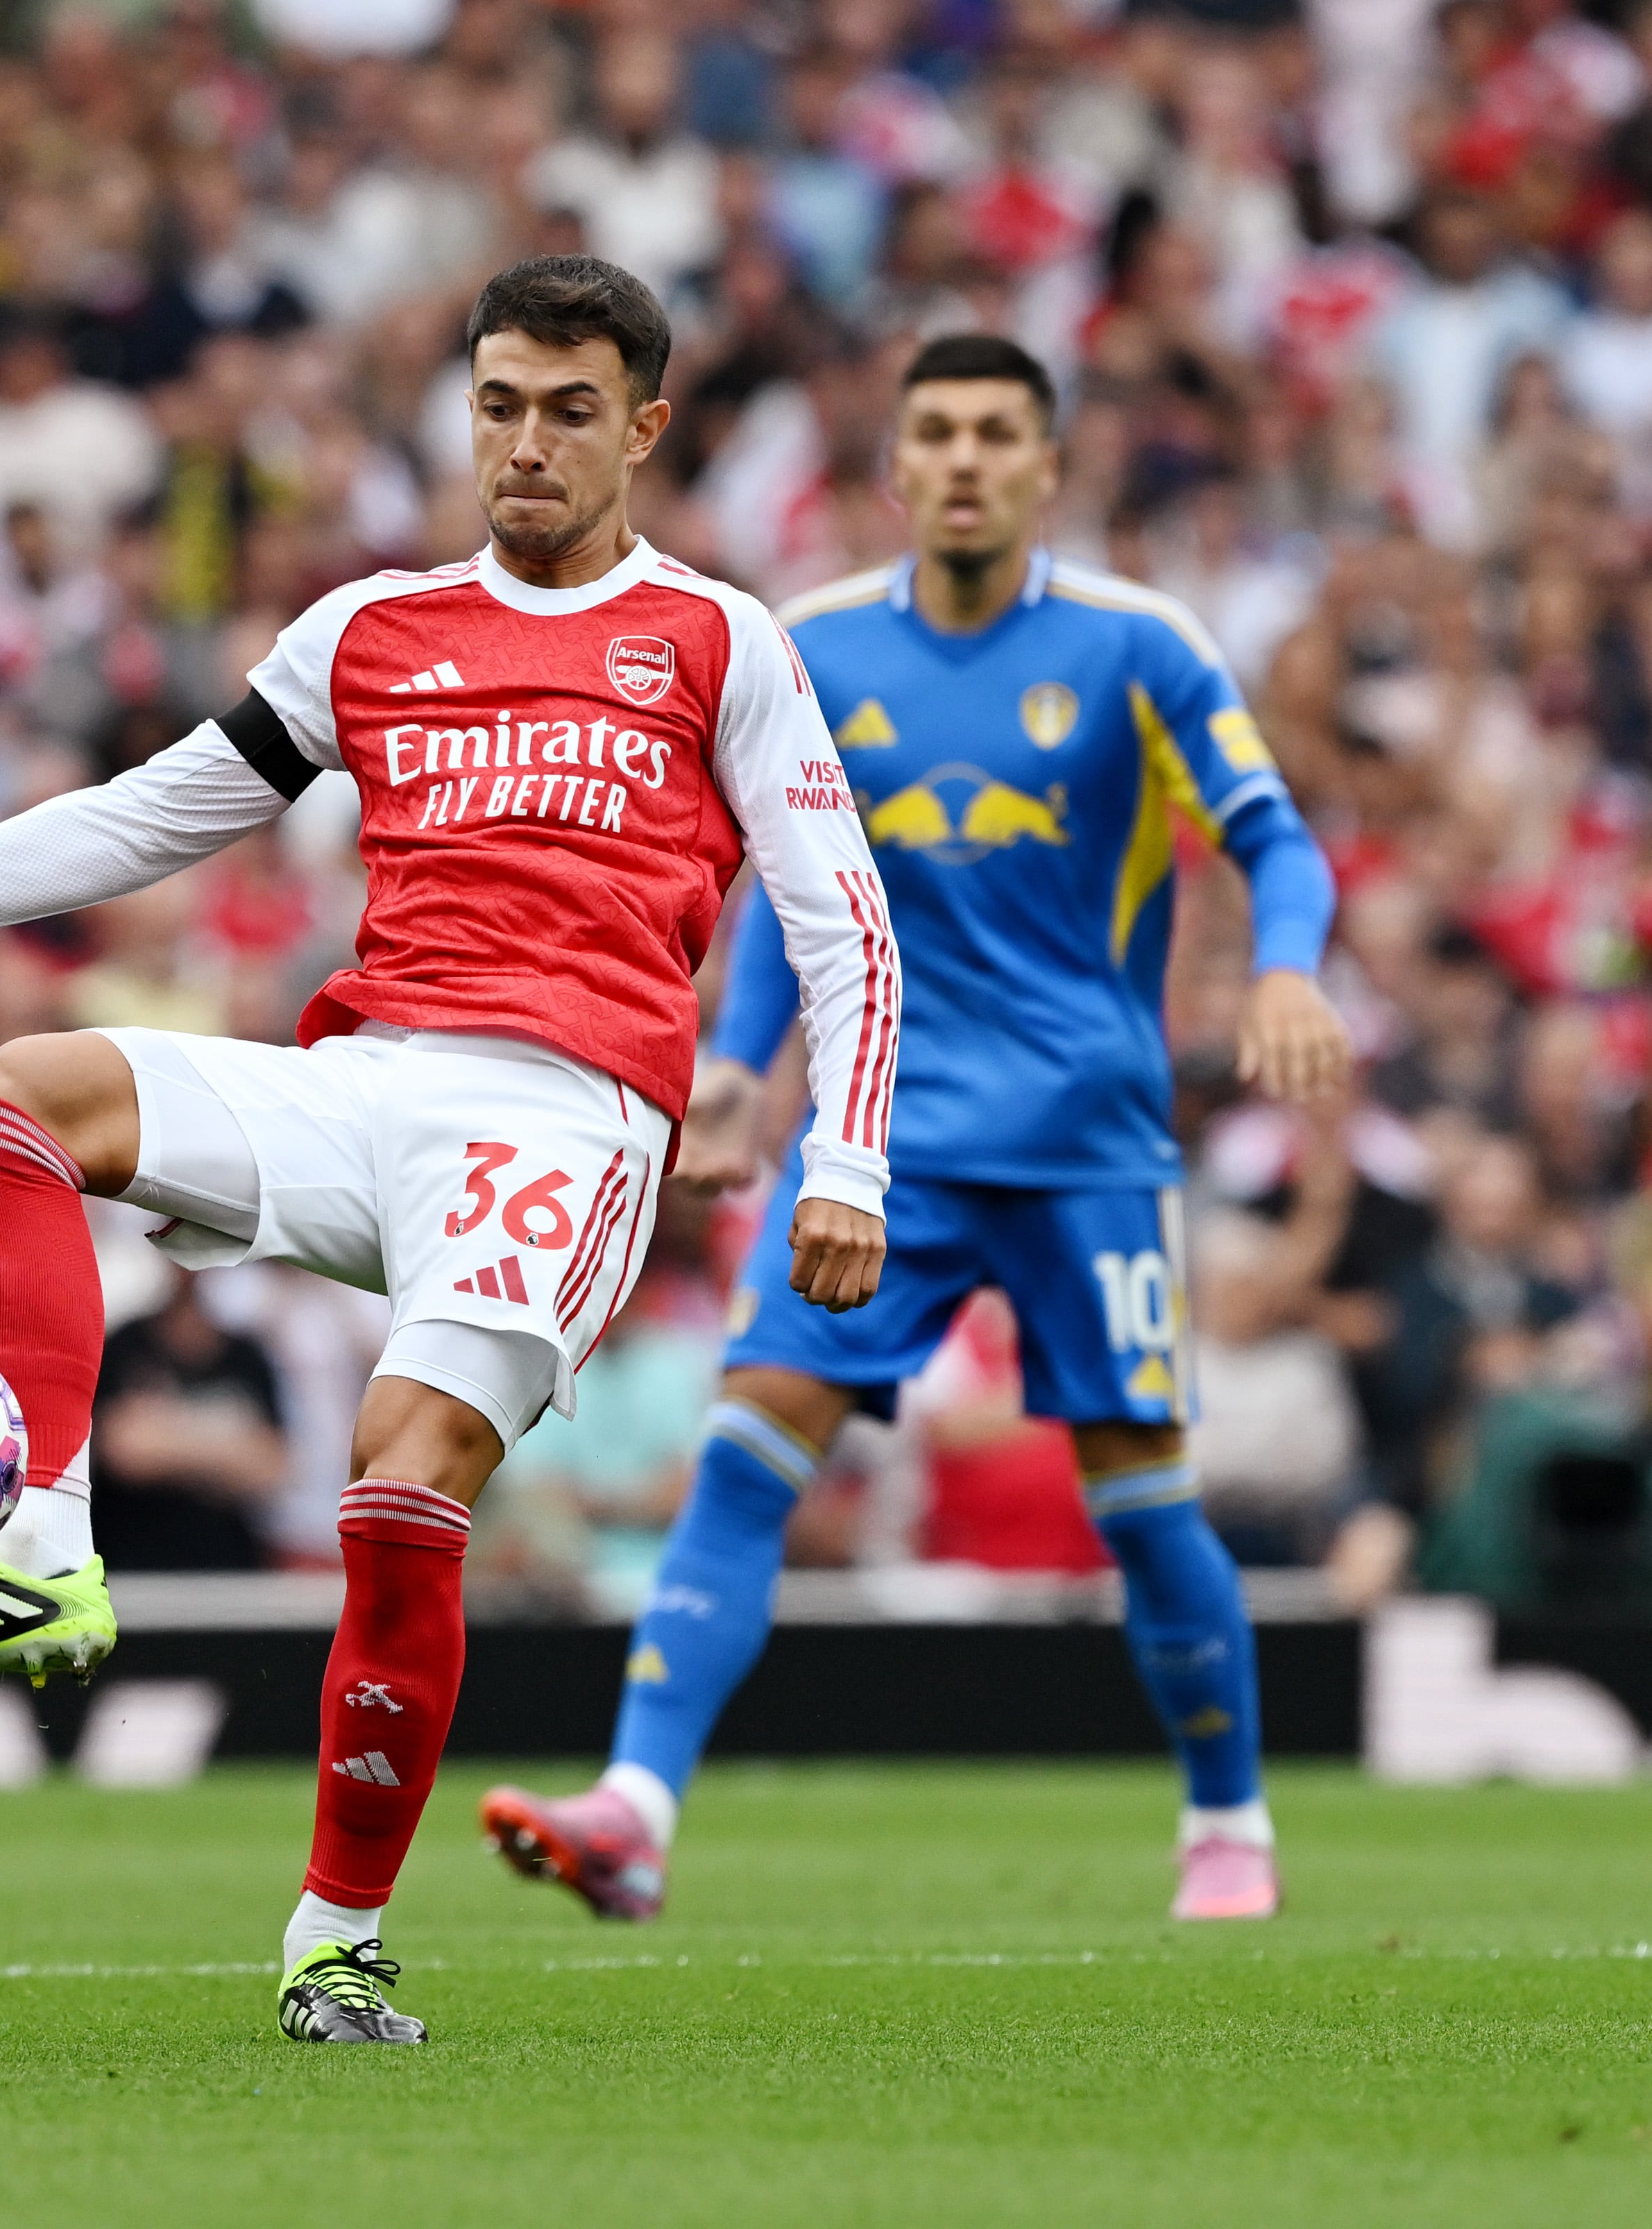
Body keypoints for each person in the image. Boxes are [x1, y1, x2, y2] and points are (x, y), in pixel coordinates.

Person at [0, 255, 901, 2046]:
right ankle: (39, 1535)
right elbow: (142, 819)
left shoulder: (722, 639)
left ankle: (334, 1939)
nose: (527, 444)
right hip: (365, 1082)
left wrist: (848, 1163)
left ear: (643, 428)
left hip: (565, 1123)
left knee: (399, 1488)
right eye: (500, 404)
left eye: (572, 411)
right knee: (9, 1096)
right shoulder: (369, 632)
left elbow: (846, 921)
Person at [480, 334, 1350, 1931]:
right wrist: (739, 1067)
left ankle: (1228, 1822)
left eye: (993, 434)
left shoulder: (1137, 647)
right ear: (895, 467)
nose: (961, 458)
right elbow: (764, 887)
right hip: (881, 1150)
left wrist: (1285, 967)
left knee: (1142, 1493)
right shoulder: (801, 649)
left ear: (1044, 467)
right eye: (934, 432)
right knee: (748, 1448)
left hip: (1090, 1145)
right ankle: (637, 1810)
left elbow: (1273, 837)